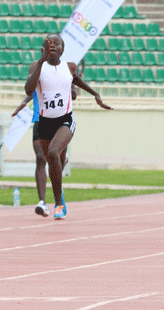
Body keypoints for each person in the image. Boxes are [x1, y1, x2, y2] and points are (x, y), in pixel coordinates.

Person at [24, 34, 112, 220]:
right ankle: (58, 198)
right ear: (43, 48)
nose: (53, 45)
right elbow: (28, 90)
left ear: (62, 50)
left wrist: (95, 94)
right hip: (44, 121)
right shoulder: (36, 66)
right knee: (50, 160)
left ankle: (58, 205)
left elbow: (77, 83)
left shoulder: (69, 67)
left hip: (65, 119)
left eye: (57, 43)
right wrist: (41, 61)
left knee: (53, 153)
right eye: (49, 43)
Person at [11, 77, 79, 218]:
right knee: (41, 158)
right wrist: (23, 103)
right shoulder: (36, 67)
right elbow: (30, 90)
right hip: (39, 119)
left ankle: (58, 196)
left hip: (58, 119)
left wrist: (69, 89)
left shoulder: (62, 70)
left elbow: (74, 93)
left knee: (54, 157)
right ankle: (42, 202)